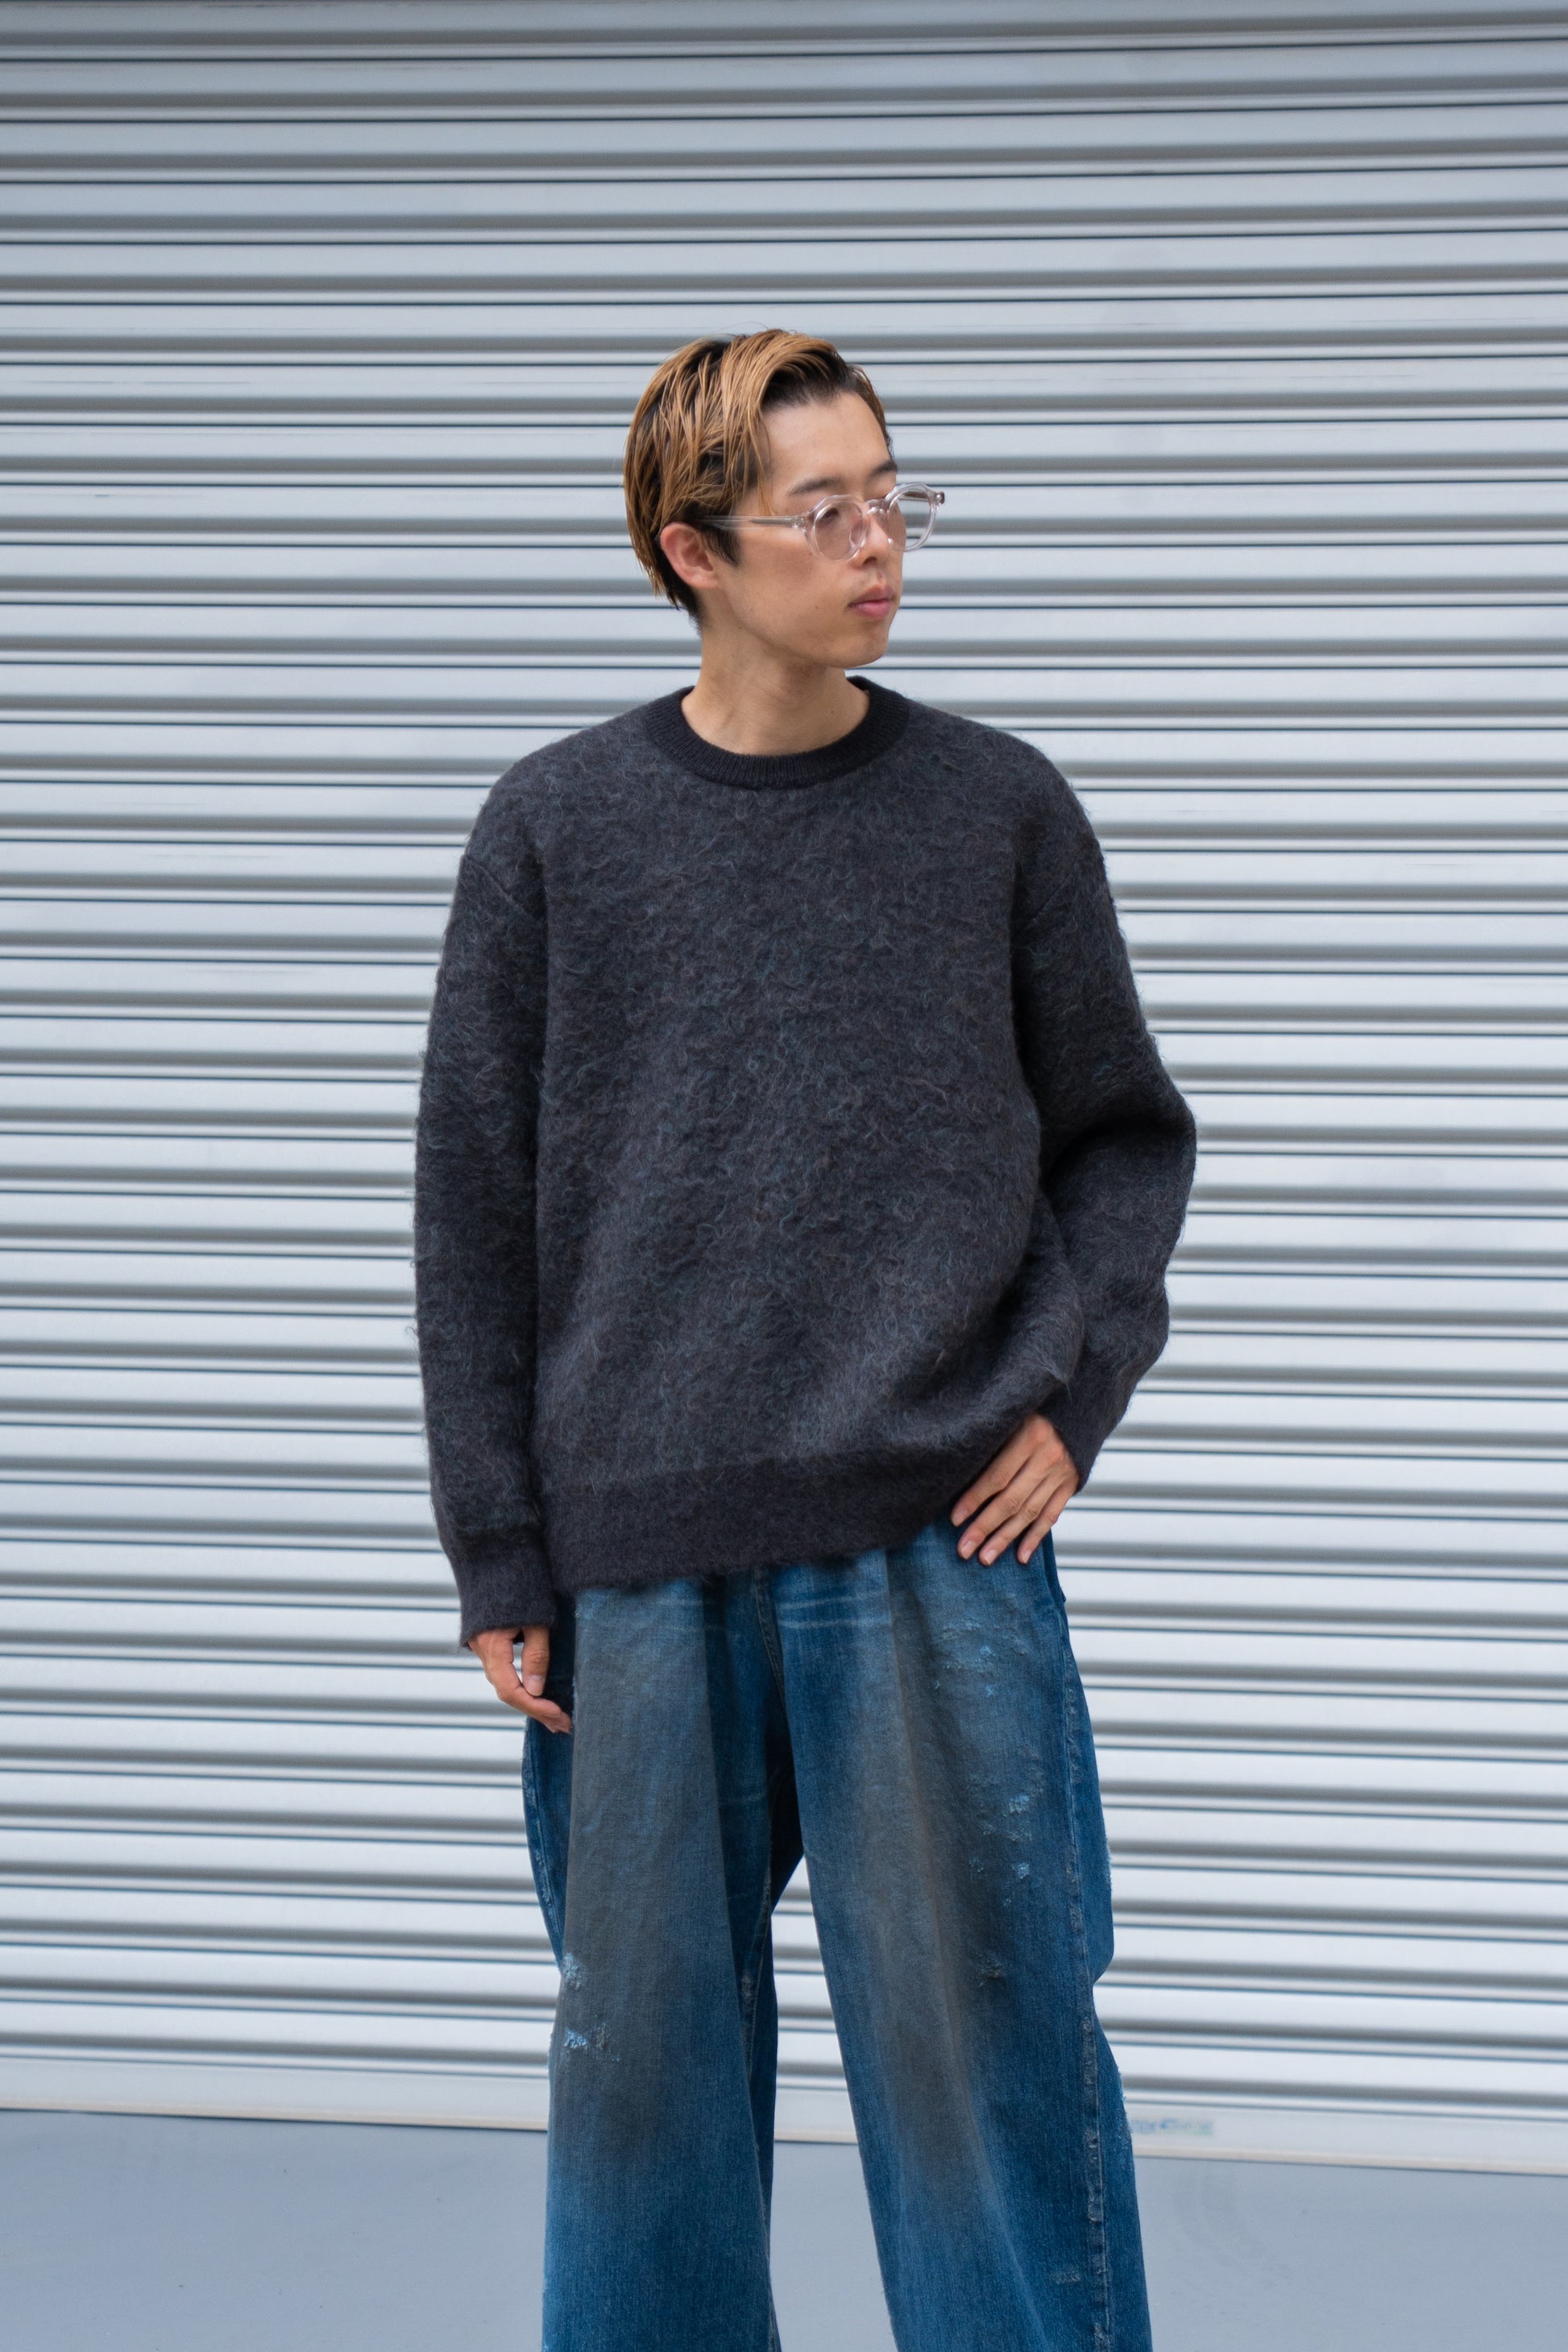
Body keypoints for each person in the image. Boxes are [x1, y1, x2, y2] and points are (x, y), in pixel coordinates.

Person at [413, 328, 1197, 2352]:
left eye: (893, 495)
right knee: (644, 2106)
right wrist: (498, 1546)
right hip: (633, 1566)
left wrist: (1074, 1389)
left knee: (990, 2075)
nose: (880, 543)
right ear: (693, 550)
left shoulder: (997, 812)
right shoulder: (555, 830)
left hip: (935, 1546)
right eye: (824, 509)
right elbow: (472, 1215)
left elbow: (1124, 1137)